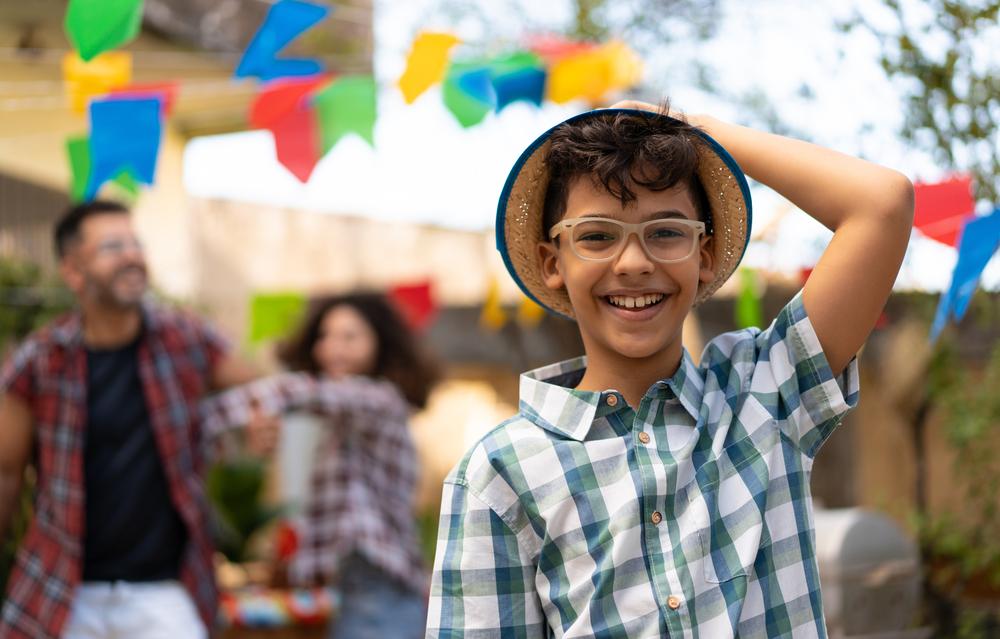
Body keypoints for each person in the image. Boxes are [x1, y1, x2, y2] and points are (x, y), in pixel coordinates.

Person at [426, 102, 914, 637]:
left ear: (704, 254)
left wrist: (694, 129)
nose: (633, 262)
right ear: (552, 263)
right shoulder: (499, 473)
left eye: (665, 232)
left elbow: (881, 202)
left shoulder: (764, 389)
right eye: (595, 235)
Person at [0, 200, 274, 639]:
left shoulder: (184, 336)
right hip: (64, 590)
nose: (132, 254)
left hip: (163, 592)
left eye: (135, 243)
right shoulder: (40, 359)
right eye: (112, 246)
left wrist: (258, 423)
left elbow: (254, 388)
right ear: (73, 272)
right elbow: (6, 474)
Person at [201, 292, 440, 639]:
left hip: (385, 597)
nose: (333, 347)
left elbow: (305, 393)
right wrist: (256, 426)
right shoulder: (338, 426)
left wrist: (196, 422)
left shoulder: (381, 400)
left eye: (349, 336)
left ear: (382, 344)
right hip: (355, 597)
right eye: (325, 336)